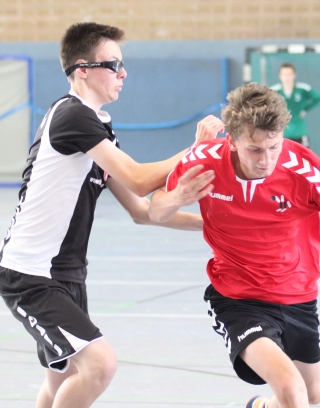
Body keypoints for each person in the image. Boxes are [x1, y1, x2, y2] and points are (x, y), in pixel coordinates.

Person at [149, 82, 320, 408]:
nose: (266, 159)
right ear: (232, 140)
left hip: (298, 295)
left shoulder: (306, 170)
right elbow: (156, 211)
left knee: (312, 396)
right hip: (238, 298)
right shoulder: (203, 162)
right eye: (255, 150)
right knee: (292, 391)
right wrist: (176, 198)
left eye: (274, 147)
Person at [0, 22, 219, 408]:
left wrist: (217, 225)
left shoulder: (99, 129)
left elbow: (142, 210)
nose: (124, 73)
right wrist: (197, 149)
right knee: (99, 366)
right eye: (113, 64)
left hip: (65, 273)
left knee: (62, 378)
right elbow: (138, 179)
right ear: (82, 68)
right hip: (30, 274)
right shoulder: (72, 116)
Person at [271, 63, 320, 148]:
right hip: (283, 132)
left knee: (304, 157)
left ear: (294, 75)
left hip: (299, 131)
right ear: (280, 76)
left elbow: (318, 97)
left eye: (289, 74)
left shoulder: (302, 88)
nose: (287, 78)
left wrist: (305, 109)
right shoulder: (274, 90)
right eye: (284, 75)